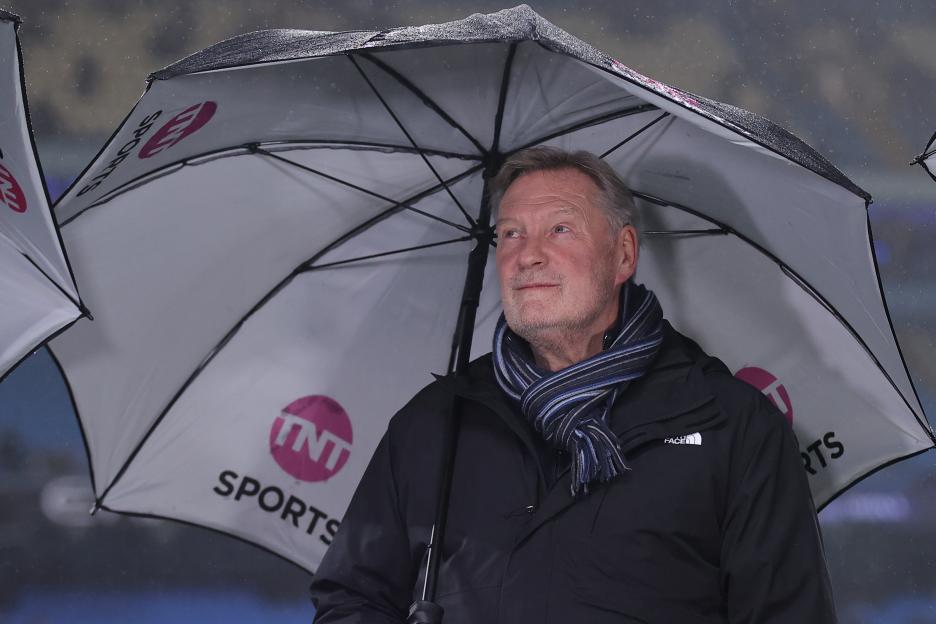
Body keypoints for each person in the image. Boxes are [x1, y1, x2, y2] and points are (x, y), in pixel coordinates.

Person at [309, 147, 837, 623]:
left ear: (623, 255)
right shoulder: (434, 422)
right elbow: (351, 600)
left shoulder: (730, 426)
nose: (527, 254)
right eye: (511, 233)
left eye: (559, 229)